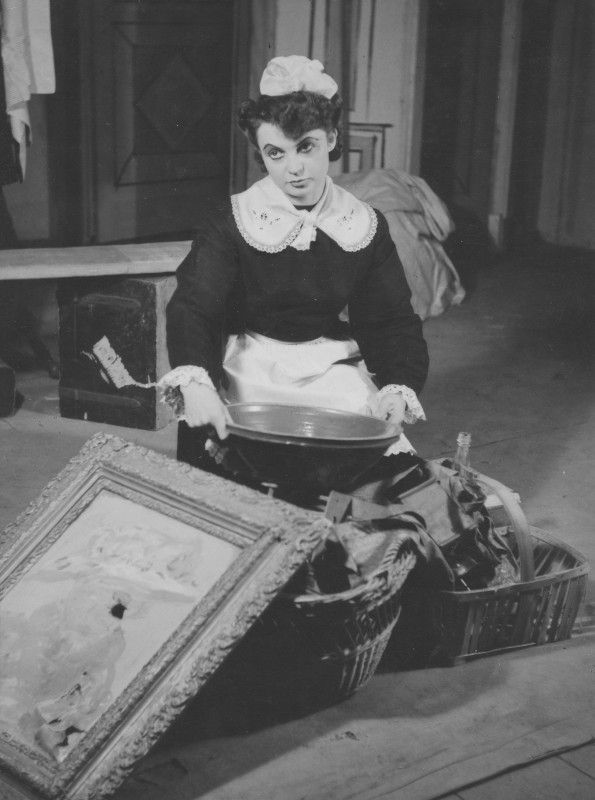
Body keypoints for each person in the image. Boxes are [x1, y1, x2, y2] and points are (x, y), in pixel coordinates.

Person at [160, 55, 429, 480]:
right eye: (276, 153)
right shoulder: (233, 219)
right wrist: (195, 382)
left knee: (376, 473)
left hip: (327, 368)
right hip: (244, 364)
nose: (294, 168)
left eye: (306, 146)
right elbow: (195, 305)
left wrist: (399, 386)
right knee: (235, 477)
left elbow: (390, 319)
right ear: (261, 154)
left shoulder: (364, 224)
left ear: (331, 139)